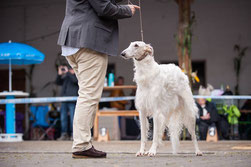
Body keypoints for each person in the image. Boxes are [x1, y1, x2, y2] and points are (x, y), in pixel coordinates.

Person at [57, 0, 140, 158]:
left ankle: (82, 143)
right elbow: (103, 7)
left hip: (72, 39)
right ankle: (81, 145)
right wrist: (127, 10)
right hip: (88, 40)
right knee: (89, 95)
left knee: (85, 94)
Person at [56, 65, 78, 140]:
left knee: (73, 118)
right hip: (64, 100)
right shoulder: (67, 77)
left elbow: (75, 81)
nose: (69, 70)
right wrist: (59, 74)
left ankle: (73, 135)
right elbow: (58, 82)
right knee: (63, 118)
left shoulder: (77, 76)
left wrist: (68, 73)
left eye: (71, 68)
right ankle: (64, 134)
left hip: (73, 100)